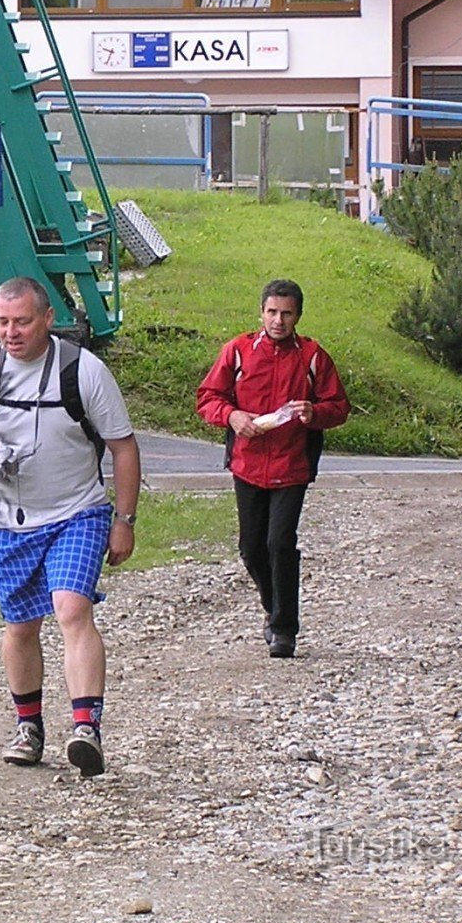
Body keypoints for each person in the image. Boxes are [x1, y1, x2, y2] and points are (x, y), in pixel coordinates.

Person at [0, 277, 141, 778]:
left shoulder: (84, 372)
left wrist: (124, 521)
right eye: (2, 322)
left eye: (22, 321)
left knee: (72, 609)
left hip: (77, 512)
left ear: (48, 318)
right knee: (21, 626)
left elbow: (123, 447)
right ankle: (29, 727)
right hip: (5, 518)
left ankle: (86, 729)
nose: (10, 332)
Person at [196, 278, 349, 660]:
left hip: (292, 465)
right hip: (247, 464)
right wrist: (231, 417)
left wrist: (315, 413)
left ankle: (284, 630)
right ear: (261, 312)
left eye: (287, 313)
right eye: (272, 312)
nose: (278, 320)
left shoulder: (313, 357)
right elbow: (208, 397)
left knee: (280, 543)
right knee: (251, 547)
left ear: (298, 316)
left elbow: (339, 407)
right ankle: (272, 603)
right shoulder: (238, 351)